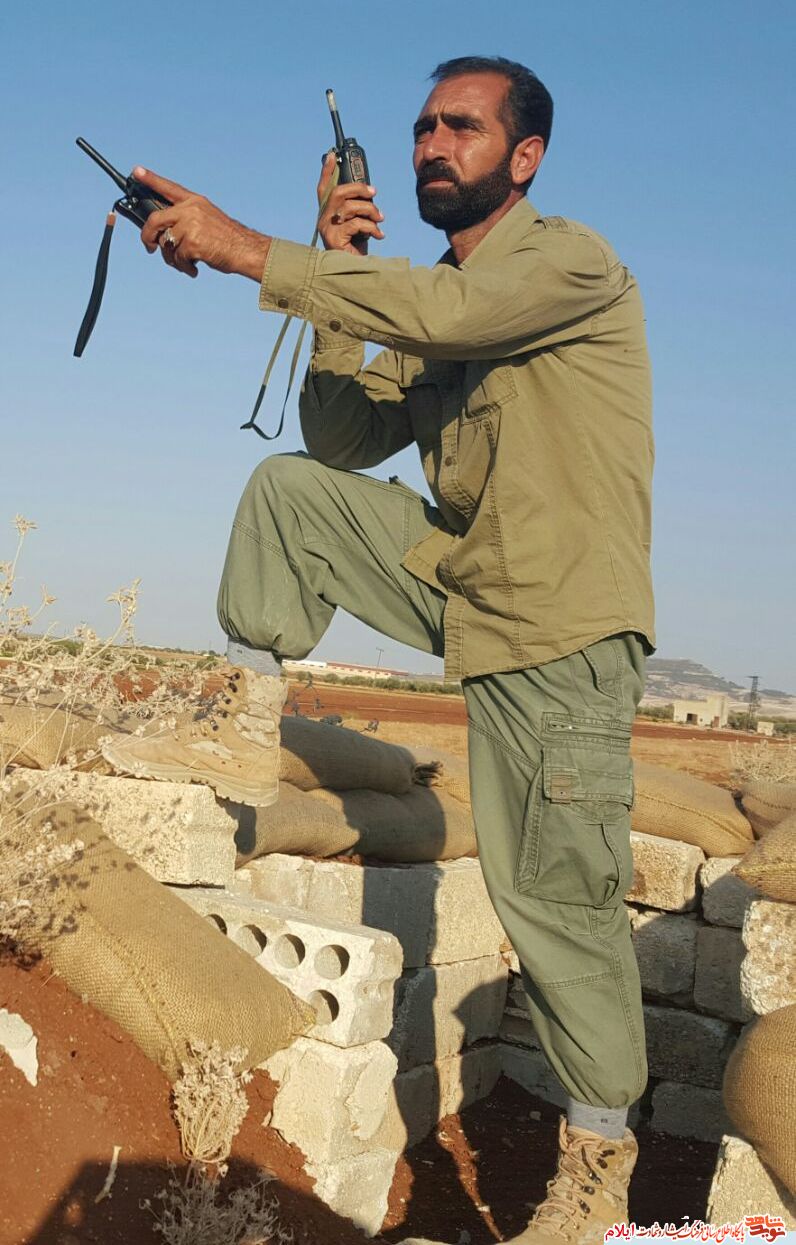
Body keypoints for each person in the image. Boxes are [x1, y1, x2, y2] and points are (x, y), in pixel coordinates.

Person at [102, 55, 655, 1243]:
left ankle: (597, 1168)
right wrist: (327, 273)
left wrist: (254, 252)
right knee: (291, 491)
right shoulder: (417, 292)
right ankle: (236, 727)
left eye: (461, 127)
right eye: (420, 128)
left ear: (524, 157)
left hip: (558, 628)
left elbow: (448, 319)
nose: (430, 145)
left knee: (551, 896)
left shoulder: (569, 264)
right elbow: (343, 439)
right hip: (467, 585)